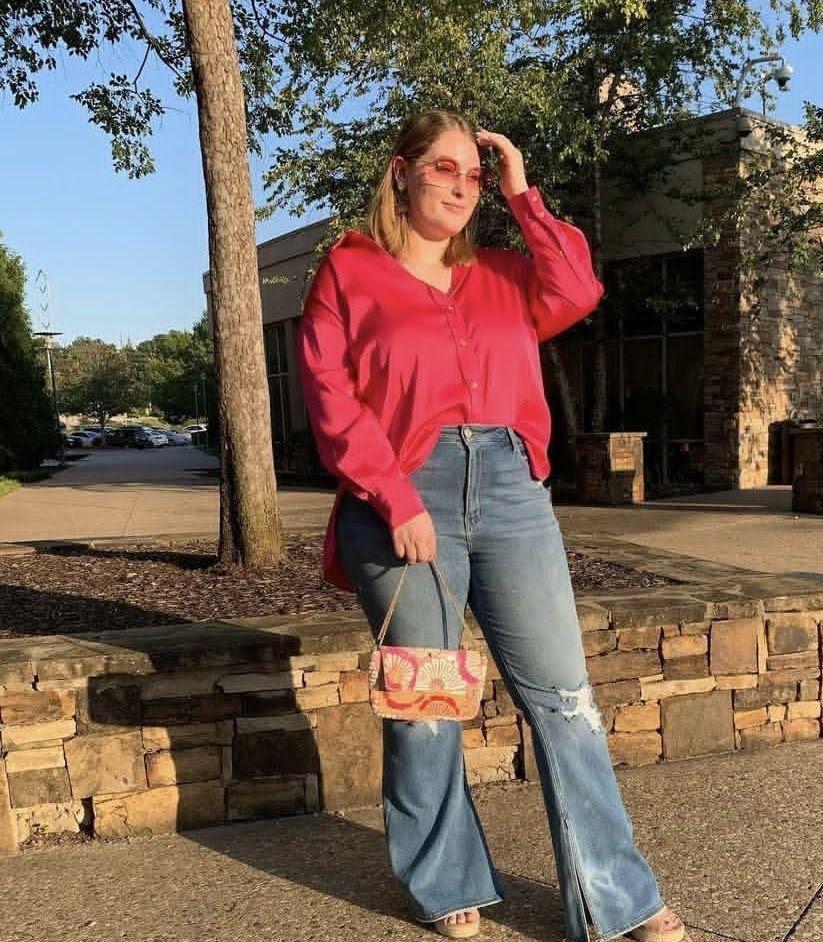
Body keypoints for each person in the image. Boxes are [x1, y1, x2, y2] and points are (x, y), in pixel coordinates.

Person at [296, 109, 686, 942]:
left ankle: (615, 897)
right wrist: (394, 496)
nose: (460, 187)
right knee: (427, 700)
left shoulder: (504, 273)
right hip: (403, 492)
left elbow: (578, 289)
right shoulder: (349, 270)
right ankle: (445, 882)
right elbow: (328, 394)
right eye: (443, 168)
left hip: (512, 487)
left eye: (472, 176)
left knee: (564, 698)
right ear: (400, 172)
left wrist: (522, 193)